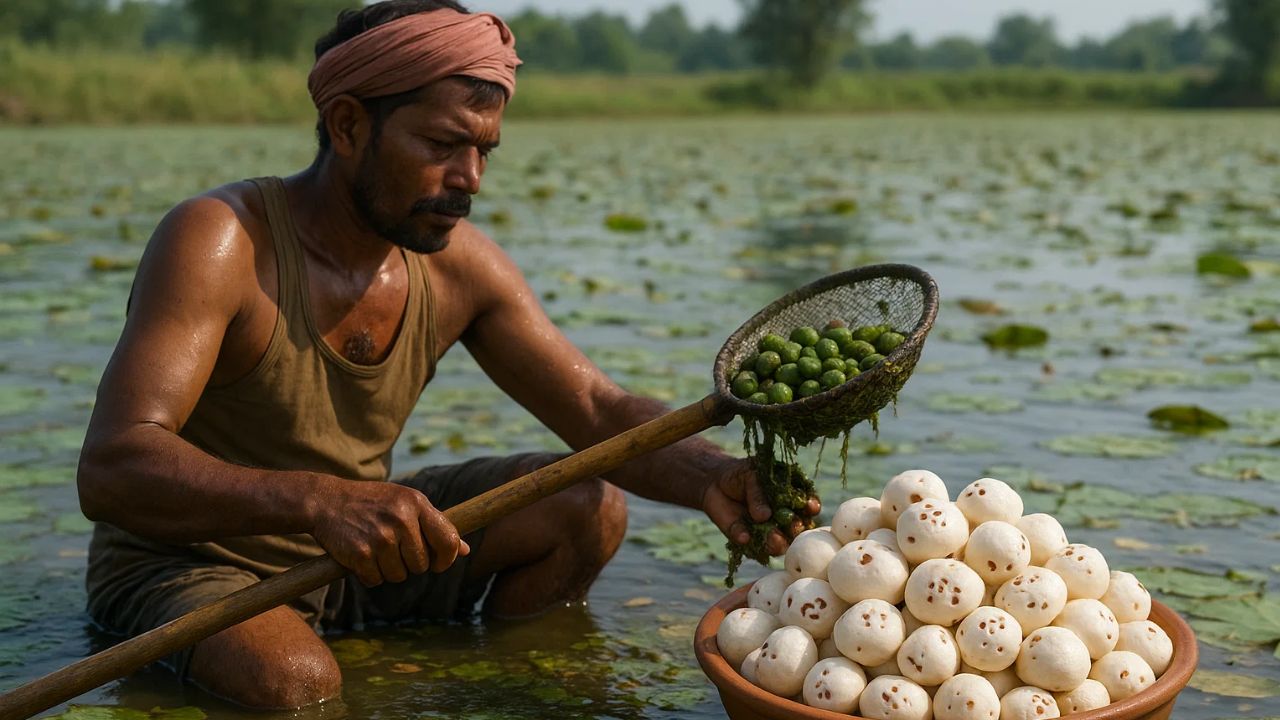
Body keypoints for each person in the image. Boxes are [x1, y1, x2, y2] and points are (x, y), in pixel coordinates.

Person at [76, 0, 818, 710]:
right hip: (190, 564)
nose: (468, 180)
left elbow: (596, 410)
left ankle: (477, 689)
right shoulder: (222, 241)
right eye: (440, 146)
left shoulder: (458, 265)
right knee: (293, 684)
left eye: (482, 150)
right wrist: (319, 499)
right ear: (346, 125)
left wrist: (715, 479)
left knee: (584, 509)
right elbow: (114, 468)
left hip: (359, 559)